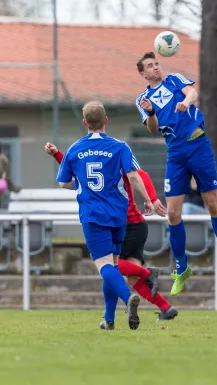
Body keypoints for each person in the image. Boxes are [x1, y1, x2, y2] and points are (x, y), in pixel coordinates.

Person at [136, 51, 217, 295]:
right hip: (176, 152)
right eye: (150, 65)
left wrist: (186, 102)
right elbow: (152, 128)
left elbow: (193, 92)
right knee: (172, 212)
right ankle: (182, 268)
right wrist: (150, 113)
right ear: (142, 73)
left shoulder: (174, 79)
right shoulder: (143, 99)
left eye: (157, 63)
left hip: (198, 144)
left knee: (213, 205)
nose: (156, 67)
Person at [46, 142, 179, 321]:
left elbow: (141, 175)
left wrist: (153, 199)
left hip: (128, 224)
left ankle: (146, 275)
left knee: (109, 267)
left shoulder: (120, 154)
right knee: (128, 277)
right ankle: (165, 308)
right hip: (132, 223)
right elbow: (78, 171)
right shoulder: (112, 156)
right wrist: (57, 155)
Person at [57, 101, 155, 331]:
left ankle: (127, 297)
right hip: (118, 215)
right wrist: (148, 200)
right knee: (112, 265)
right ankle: (108, 319)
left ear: (85, 123)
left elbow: (64, 182)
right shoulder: (120, 147)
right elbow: (133, 176)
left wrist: (82, 185)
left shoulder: (74, 149)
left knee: (104, 267)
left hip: (93, 215)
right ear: (106, 120)